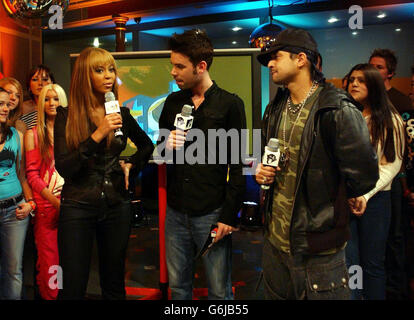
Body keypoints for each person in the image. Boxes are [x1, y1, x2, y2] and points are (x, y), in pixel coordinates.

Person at [255, 28, 378, 300]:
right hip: (275, 242)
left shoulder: (337, 108)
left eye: (276, 57)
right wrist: (264, 173)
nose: (270, 64)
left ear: (301, 59)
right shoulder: (275, 107)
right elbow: (271, 156)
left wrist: (337, 190)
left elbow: (364, 176)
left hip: (317, 247)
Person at [54, 47, 154, 299]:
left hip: (116, 205)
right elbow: (65, 167)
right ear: (84, 76)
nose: (108, 76)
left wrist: (131, 163)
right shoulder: (66, 116)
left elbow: (146, 146)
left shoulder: (120, 113)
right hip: (77, 205)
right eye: (99, 70)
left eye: (111, 69)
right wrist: (98, 134)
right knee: (74, 285)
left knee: (114, 283)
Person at [157, 29, 246, 300]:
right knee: (178, 288)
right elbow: (159, 153)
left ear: (201, 66)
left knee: (219, 291)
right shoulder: (173, 102)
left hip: (211, 212)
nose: (173, 72)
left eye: (179, 66)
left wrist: (229, 216)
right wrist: (165, 146)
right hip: (175, 212)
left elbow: (238, 165)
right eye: (172, 65)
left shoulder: (230, 104)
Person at [345, 63, 405, 300]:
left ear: (375, 85)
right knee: (350, 265)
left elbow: (392, 165)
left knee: (372, 265)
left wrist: (365, 195)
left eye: (361, 80)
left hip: (376, 199)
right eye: (352, 80)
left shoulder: (391, 120)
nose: (354, 84)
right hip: (348, 198)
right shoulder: (348, 115)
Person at [369, 49, 412, 300]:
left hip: (396, 180)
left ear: (391, 72)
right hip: (369, 183)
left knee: (396, 236)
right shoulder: (367, 102)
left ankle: (397, 289)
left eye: (379, 66)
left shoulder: (402, 103)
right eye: (370, 65)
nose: (373, 69)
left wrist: (406, 183)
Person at [24, 84, 67, 300]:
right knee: (50, 262)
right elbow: (32, 175)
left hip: (71, 204)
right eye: (47, 100)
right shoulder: (33, 134)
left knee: (69, 260)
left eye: (56, 99)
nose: (52, 104)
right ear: (41, 104)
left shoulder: (71, 131)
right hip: (47, 206)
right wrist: (54, 201)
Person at [0, 87, 35, 299]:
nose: (4, 108)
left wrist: (30, 202)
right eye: (0, 104)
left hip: (15, 211)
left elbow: (22, 175)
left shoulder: (16, 135)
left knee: (13, 271)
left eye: (6, 104)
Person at [21, 65, 55, 130]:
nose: (40, 83)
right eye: (35, 79)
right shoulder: (22, 109)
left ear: (52, 83)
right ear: (29, 86)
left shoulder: (59, 107)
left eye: (44, 79)